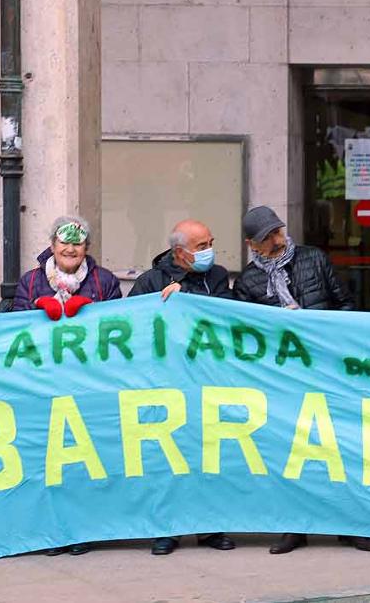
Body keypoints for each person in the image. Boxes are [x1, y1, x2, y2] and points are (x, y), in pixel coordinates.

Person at [232, 206, 370, 553]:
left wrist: (312, 323)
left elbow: (346, 305)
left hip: (328, 367)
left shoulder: (313, 259)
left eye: (278, 231)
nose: (277, 239)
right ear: (251, 244)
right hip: (285, 378)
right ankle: (296, 525)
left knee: (342, 446)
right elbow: (246, 337)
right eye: (268, 237)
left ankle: (350, 525)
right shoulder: (247, 282)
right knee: (293, 451)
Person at [13, 216, 122, 556]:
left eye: (78, 242)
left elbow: (120, 325)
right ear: (53, 245)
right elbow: (14, 328)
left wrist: (93, 315)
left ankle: (82, 530)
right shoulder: (31, 282)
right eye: (65, 242)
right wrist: (35, 311)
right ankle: (52, 531)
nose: (71, 248)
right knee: (49, 460)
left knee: (85, 459)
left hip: (89, 385)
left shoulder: (104, 281)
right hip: (45, 386)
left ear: (87, 247)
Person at [128, 219, 234, 555]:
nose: (210, 251)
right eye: (202, 246)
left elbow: (225, 315)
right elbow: (131, 324)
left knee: (209, 456)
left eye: (211, 242)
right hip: (166, 382)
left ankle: (210, 528)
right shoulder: (150, 281)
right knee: (168, 458)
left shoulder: (217, 276)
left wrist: (185, 296)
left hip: (207, 380)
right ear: (179, 252)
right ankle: (167, 529)